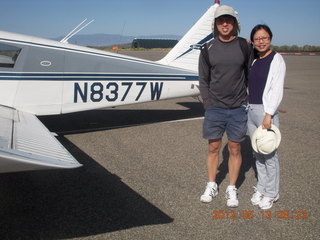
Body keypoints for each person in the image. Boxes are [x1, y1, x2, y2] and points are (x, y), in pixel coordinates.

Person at [198, 5, 253, 207]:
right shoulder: (207, 48)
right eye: (221, 20)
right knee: (213, 147)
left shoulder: (244, 46)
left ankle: (231, 188)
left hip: (238, 107)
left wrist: (247, 100)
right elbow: (203, 79)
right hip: (215, 108)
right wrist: (208, 102)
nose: (225, 24)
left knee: (235, 148)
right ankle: (212, 184)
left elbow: (249, 74)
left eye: (228, 20)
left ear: (235, 23)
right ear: (215, 24)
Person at [247, 24, 286, 210]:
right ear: (253, 41)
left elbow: (277, 90)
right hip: (251, 110)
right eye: (257, 39)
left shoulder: (276, 59)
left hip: (265, 112)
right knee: (257, 153)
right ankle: (262, 187)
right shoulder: (255, 59)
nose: (261, 42)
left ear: (270, 38)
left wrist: (269, 114)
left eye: (264, 38)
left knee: (269, 154)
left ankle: (272, 192)